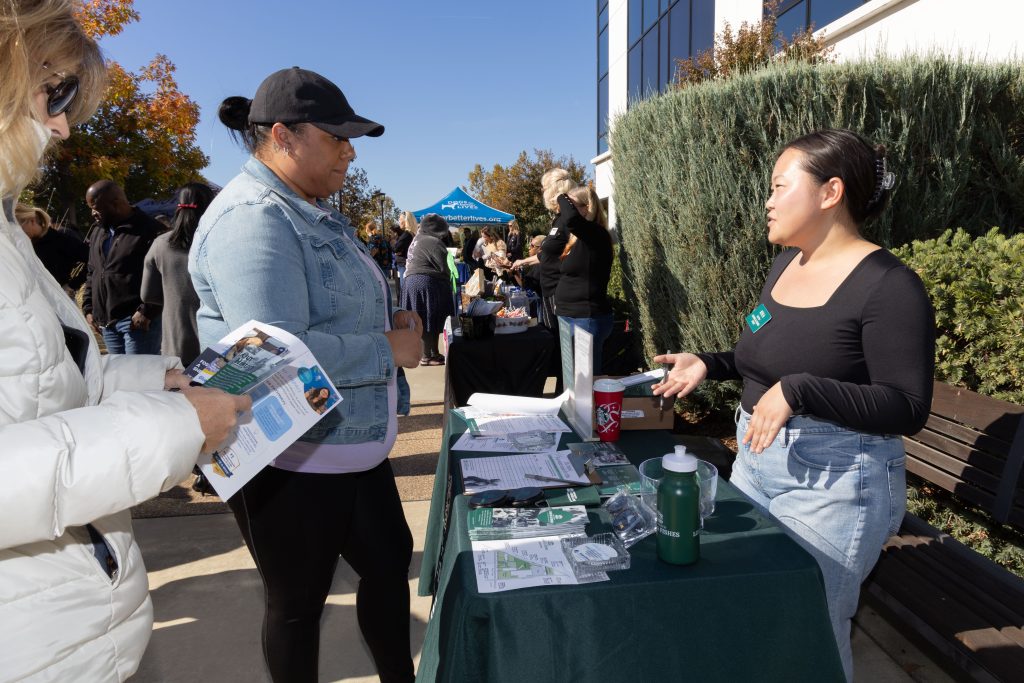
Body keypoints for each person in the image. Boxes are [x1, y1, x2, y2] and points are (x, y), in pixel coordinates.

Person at [0, 2, 249, 680]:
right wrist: (174, 425)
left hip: (69, 629)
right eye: (54, 95)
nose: (59, 124)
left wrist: (156, 381)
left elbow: (50, 380)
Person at [652, 128, 935, 682]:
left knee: (804, 637)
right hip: (758, 466)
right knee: (753, 613)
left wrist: (802, 390)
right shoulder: (786, 266)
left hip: (836, 483)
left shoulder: (889, 287)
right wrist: (710, 362)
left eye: (781, 186)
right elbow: (760, 351)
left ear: (830, 193)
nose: (768, 199)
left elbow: (908, 407)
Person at [188, 66, 421, 683]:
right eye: (337, 136)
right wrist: (386, 350)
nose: (349, 150)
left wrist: (386, 317)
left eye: (353, 138)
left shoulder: (306, 207)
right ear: (284, 137)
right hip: (293, 454)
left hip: (343, 446)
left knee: (388, 560)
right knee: (297, 604)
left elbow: (332, 304)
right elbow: (274, 353)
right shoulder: (255, 219)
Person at [82, 178, 165, 354]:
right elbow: (93, 271)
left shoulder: (151, 230)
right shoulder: (98, 232)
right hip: (108, 324)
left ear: (116, 203)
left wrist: (147, 311)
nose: (92, 213)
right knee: (121, 377)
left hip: (137, 322)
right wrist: (89, 309)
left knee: (140, 379)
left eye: (95, 207)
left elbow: (163, 275)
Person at [141, 182, 214, 365]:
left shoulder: (160, 244)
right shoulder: (219, 241)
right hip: (218, 343)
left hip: (177, 341)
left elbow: (147, 294)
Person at [554, 184, 614, 374]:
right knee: (573, 381)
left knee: (584, 385)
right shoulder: (578, 239)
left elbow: (571, 219)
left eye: (571, 205)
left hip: (585, 319)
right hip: (568, 316)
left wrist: (560, 194)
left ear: (587, 207)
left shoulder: (597, 235)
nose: (565, 210)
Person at [513, 168, 577, 332]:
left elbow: (574, 254)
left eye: (544, 188)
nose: (542, 191)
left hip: (560, 293)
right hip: (548, 290)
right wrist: (522, 261)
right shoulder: (558, 220)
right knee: (552, 337)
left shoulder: (568, 221)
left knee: (560, 342)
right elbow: (547, 254)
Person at [401, 212, 455, 366]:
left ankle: (429, 353)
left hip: (410, 281)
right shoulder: (434, 242)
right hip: (427, 281)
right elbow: (443, 268)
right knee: (431, 317)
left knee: (421, 319)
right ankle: (428, 355)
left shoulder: (416, 240)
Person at [14, 202, 87, 290]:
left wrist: (72, 286)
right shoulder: (22, 245)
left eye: (18, 228)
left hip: (59, 299)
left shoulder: (59, 240)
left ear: (32, 221)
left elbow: (93, 259)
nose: (16, 233)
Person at [390, 221, 412, 292]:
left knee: (403, 287)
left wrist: (393, 244)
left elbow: (396, 249)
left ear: (395, 232)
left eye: (391, 232)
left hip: (402, 263)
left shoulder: (403, 237)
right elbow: (396, 250)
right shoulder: (399, 238)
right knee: (399, 288)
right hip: (397, 264)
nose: (390, 235)